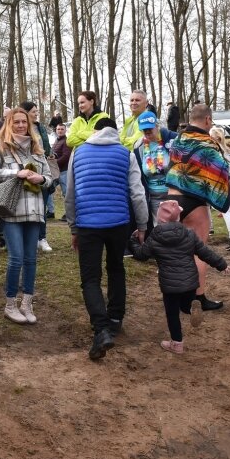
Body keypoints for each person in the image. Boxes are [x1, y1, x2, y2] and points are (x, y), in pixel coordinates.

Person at [65, 122, 149, 360]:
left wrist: (73, 227)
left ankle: (101, 329)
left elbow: (70, 193)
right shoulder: (126, 153)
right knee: (116, 269)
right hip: (118, 222)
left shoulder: (78, 152)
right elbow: (137, 193)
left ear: (95, 132)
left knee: (90, 278)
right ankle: (115, 318)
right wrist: (142, 225)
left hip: (88, 224)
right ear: (115, 132)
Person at [129, 200, 229, 354]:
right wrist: (222, 265)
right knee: (185, 304)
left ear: (159, 218)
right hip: (190, 282)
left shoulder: (155, 236)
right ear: (178, 217)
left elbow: (141, 255)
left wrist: (134, 241)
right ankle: (190, 307)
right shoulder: (188, 233)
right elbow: (204, 252)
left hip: (170, 285)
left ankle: (177, 344)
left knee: (172, 314)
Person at [0, 108, 51, 325]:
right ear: (9, 124)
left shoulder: (37, 149)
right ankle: (10, 303)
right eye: (16, 122)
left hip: (34, 210)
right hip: (11, 210)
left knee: (31, 259)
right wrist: (15, 173)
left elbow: (50, 177)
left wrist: (42, 179)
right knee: (16, 258)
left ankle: (27, 303)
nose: (21, 125)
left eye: (24, 122)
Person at [165, 104, 230, 306]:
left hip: (171, 199)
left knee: (175, 252)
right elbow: (221, 171)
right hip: (193, 203)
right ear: (208, 120)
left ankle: (176, 296)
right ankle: (198, 297)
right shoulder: (208, 144)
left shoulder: (177, 140)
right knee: (198, 251)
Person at [132, 110, 178, 224]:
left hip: (173, 194)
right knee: (159, 230)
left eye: (150, 128)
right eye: (144, 129)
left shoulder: (171, 140)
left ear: (157, 126)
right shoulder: (139, 147)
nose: (147, 131)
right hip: (153, 197)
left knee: (177, 229)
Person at [19, 101, 53, 251]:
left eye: (36, 111)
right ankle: (22, 239)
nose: (36, 114)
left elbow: (45, 148)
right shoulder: (19, 129)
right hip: (23, 173)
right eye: (33, 111)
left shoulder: (40, 127)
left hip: (40, 170)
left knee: (41, 206)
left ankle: (42, 238)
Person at [209, 127, 230, 250]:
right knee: (226, 210)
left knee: (206, 205)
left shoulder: (213, 149)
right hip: (226, 180)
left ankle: (210, 229)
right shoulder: (225, 150)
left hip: (215, 181)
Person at [51, 122, 72, 216]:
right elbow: (55, 154)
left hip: (64, 171)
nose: (60, 131)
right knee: (48, 189)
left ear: (65, 130)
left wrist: (54, 163)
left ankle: (69, 213)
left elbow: (66, 156)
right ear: (56, 130)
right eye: (58, 129)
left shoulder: (66, 141)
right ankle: (50, 211)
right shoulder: (56, 141)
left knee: (66, 193)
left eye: (62, 129)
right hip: (55, 171)